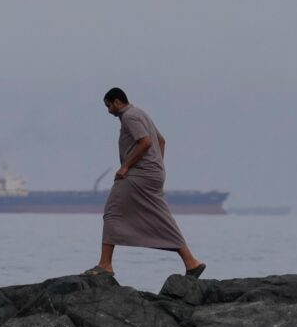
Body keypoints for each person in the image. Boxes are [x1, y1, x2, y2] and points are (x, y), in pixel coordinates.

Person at [81, 87, 206, 278]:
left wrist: (125, 167)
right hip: (153, 174)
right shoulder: (141, 113)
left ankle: (105, 264)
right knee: (161, 217)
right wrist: (157, 166)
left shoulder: (129, 117)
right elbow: (161, 141)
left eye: (108, 106)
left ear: (116, 102)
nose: (108, 111)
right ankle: (191, 262)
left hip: (138, 174)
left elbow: (145, 142)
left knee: (112, 211)